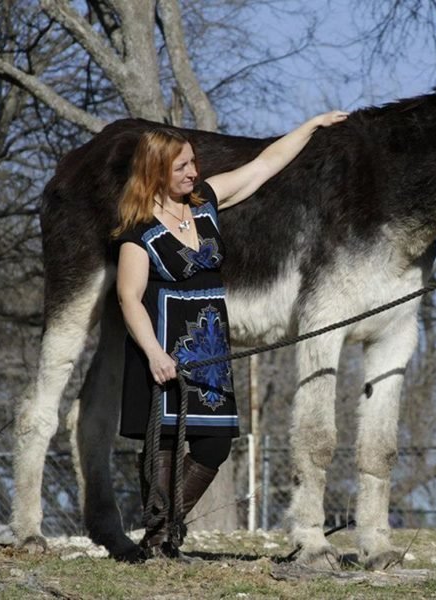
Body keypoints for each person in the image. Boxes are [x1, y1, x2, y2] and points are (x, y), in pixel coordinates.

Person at [113, 110, 348, 559]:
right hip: (160, 347)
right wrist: (154, 353)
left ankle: (164, 530)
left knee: (214, 443)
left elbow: (263, 165)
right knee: (161, 442)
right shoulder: (136, 230)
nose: (193, 172)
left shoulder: (205, 203)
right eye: (181, 166)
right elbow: (129, 297)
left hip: (210, 348)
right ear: (156, 170)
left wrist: (310, 126)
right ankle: (161, 542)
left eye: (192, 163)